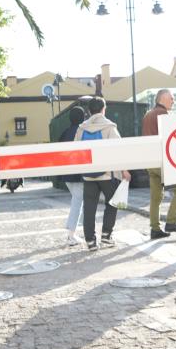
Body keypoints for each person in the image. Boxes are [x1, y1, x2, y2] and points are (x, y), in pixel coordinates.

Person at [74, 97, 131, 251]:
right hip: (107, 174)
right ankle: (106, 236)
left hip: (88, 175)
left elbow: (75, 151)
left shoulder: (81, 129)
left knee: (89, 207)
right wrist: (124, 170)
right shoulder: (109, 127)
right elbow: (119, 150)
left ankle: (91, 242)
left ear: (89, 110)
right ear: (103, 109)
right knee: (112, 203)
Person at [141, 88, 176, 239]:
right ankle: (171, 222)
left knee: (155, 197)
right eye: (171, 98)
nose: (173, 101)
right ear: (161, 99)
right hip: (162, 160)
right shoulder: (163, 114)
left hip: (150, 160)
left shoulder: (148, 114)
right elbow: (171, 138)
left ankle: (155, 228)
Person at [58, 105, 88, 245]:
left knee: (77, 202)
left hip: (66, 174)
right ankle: (71, 234)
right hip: (79, 174)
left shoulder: (64, 133)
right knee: (77, 203)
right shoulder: (83, 131)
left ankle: (72, 232)